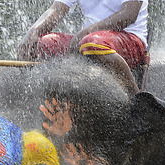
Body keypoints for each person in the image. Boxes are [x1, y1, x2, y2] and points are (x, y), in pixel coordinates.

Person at [17, 0, 148, 96]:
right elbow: (56, 10)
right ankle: (41, 98)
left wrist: (85, 33)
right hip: (87, 41)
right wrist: (33, 31)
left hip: (128, 38)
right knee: (38, 46)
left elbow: (129, 15)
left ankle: (135, 99)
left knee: (92, 42)